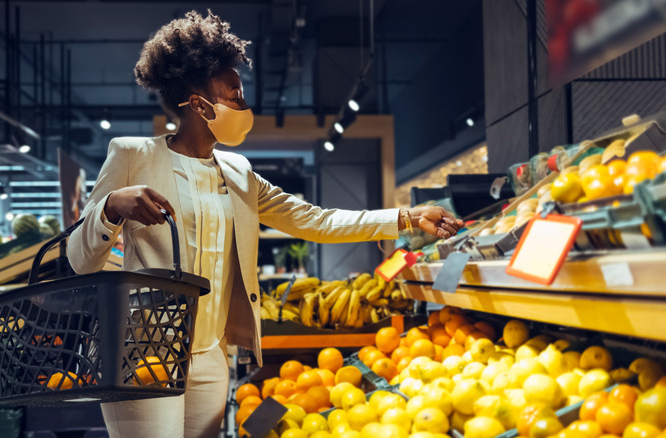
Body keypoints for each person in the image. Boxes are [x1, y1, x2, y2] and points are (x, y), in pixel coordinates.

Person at [66, 10, 463, 438]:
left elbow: (315, 220)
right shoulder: (132, 155)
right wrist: (110, 206)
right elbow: (79, 260)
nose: (243, 105)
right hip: (142, 352)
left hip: (211, 357)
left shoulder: (237, 172)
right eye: (234, 95)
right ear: (199, 104)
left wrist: (406, 216)